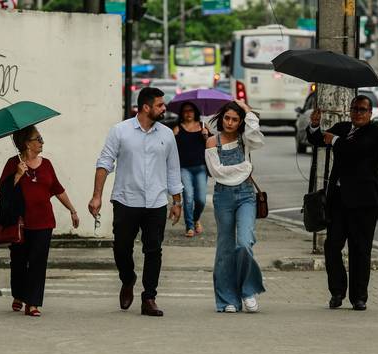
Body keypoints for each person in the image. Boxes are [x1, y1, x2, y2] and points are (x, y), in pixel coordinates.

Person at [88, 87, 183, 317]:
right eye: (160, 105)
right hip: (126, 200)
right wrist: (97, 195)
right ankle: (127, 279)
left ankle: (149, 297)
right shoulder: (120, 131)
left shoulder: (167, 134)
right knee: (121, 248)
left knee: (154, 250)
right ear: (145, 107)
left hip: (156, 202)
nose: (164, 108)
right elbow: (105, 163)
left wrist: (177, 201)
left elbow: (173, 169)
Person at [307, 95, 378, 311]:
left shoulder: (375, 133)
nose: (358, 113)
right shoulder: (342, 127)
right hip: (339, 200)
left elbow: (355, 150)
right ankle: (337, 291)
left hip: (364, 201)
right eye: (355, 109)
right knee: (332, 246)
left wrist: (333, 140)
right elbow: (317, 140)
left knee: (360, 249)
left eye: (362, 110)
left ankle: (359, 297)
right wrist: (314, 126)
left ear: (370, 113)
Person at [0, 126, 79, 317]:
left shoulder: (47, 164)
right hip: (20, 223)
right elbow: (2, 192)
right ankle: (18, 294)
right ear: (27, 143)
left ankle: (32, 303)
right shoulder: (12, 164)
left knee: (38, 263)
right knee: (18, 262)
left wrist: (72, 210)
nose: (42, 142)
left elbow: (58, 189)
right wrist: (17, 175)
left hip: (44, 222)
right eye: (38, 138)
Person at [205, 100, 266, 313]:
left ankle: (248, 291)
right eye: (227, 118)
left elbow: (257, 139)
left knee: (244, 242)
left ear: (240, 122)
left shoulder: (245, 139)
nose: (230, 123)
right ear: (221, 118)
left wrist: (249, 111)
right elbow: (217, 172)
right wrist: (244, 167)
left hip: (246, 196)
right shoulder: (213, 142)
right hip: (223, 198)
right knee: (225, 249)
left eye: (235, 119)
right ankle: (227, 299)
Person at [173, 102, 211, 237]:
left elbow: (212, 146)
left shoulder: (203, 126)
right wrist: (175, 136)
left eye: (190, 111)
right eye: (185, 111)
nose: (188, 113)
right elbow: (171, 150)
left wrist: (206, 136)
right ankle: (189, 226)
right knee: (188, 197)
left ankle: (196, 219)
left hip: (201, 167)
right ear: (182, 114)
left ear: (195, 112)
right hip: (184, 168)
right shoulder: (177, 129)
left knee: (201, 200)